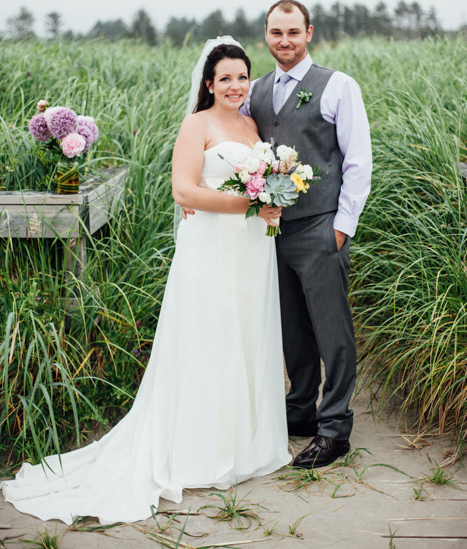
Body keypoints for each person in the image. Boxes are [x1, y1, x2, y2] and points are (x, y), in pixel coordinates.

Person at [1, 38, 291, 525]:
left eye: (242, 77)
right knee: (208, 339)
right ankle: (199, 449)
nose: (236, 86)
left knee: (246, 334)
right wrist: (250, 203)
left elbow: (255, 183)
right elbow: (184, 190)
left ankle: (244, 445)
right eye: (226, 78)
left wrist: (274, 199)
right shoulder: (196, 124)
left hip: (252, 247)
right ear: (208, 83)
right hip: (210, 248)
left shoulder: (251, 124)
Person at [240, 0, 372, 469]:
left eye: (293, 32)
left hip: (321, 226)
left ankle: (335, 428)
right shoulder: (254, 91)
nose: (285, 41)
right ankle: (300, 411)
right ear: (266, 34)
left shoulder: (337, 86)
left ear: (309, 32)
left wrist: (342, 227)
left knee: (332, 329)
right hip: (271, 230)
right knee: (292, 328)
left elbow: (358, 161)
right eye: (276, 32)